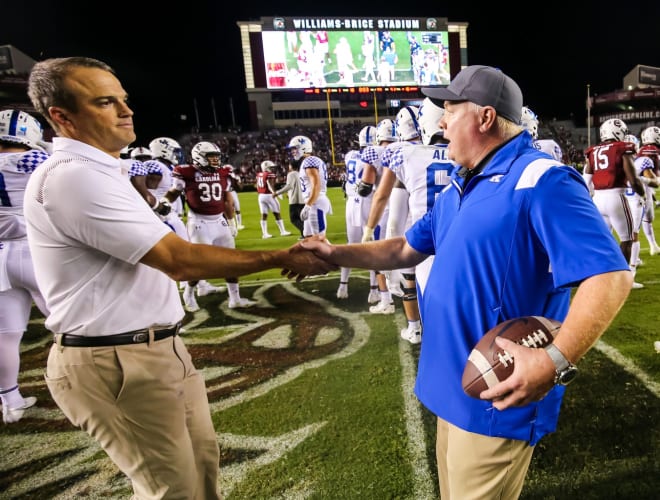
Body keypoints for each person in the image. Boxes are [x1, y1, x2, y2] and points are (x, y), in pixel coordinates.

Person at [298, 65, 632, 499]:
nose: (440, 122)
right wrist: (334, 255)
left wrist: (555, 359)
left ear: (485, 117)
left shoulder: (543, 179)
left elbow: (610, 275)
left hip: (496, 395)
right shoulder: (461, 182)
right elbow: (405, 249)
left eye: (449, 111)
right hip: (453, 385)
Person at [24, 56, 335, 499]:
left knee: (201, 474)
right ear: (61, 116)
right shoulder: (72, 177)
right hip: (113, 359)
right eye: (105, 102)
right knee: (172, 490)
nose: (126, 111)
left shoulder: (101, 171)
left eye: (123, 99)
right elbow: (178, 260)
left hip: (152, 347)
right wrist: (282, 255)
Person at [164, 141, 257, 311]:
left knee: (231, 261)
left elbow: (227, 198)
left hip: (219, 221)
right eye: (211, 157)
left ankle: (235, 299)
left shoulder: (223, 172)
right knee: (201, 264)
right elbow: (174, 191)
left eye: (216, 157)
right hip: (199, 222)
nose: (215, 160)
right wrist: (163, 202)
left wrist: (230, 221)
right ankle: (189, 294)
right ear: (199, 157)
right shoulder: (186, 172)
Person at [0, 109, 50, 423]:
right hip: (37, 251)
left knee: (6, 335)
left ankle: (10, 403)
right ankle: (86, 387)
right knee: (69, 324)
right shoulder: (35, 162)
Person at [583, 118, 645, 290]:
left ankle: (598, 277)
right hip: (616, 196)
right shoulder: (622, 149)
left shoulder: (593, 151)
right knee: (627, 239)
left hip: (597, 200)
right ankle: (623, 281)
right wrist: (642, 194)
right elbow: (633, 179)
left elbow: (585, 180)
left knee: (603, 240)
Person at [336, 125, 381, 303]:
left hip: (351, 203)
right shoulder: (374, 154)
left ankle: (343, 285)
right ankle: (373, 290)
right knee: (372, 247)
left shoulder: (350, 156)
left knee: (351, 245)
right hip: (367, 200)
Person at [359, 118, 398, 313]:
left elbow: (365, 188)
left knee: (379, 256)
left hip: (383, 210)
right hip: (404, 207)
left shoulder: (373, 151)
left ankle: (385, 300)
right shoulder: (404, 149)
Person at [286, 135, 332, 238]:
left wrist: (308, 205)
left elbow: (316, 185)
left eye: (294, 148)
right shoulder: (307, 161)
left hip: (316, 202)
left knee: (319, 240)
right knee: (308, 236)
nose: (293, 152)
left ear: (303, 147)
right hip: (313, 201)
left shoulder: (309, 161)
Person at [637, 126, 660, 254]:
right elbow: (653, 176)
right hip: (645, 185)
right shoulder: (653, 150)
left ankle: (653, 246)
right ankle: (635, 259)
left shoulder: (641, 149)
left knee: (645, 218)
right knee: (646, 218)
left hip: (635, 185)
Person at [255, 160, 292, 239]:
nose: (272, 169)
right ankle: (283, 231)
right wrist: (275, 193)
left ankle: (264, 233)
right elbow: (269, 184)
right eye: (270, 167)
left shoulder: (259, 174)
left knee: (264, 215)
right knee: (277, 213)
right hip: (269, 195)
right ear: (266, 167)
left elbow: (257, 186)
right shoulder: (270, 174)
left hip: (261, 196)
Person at [274, 161, 305, 238]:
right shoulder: (301, 173)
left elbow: (289, 186)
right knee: (301, 219)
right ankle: (304, 235)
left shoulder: (291, 174)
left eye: (289, 165)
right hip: (302, 199)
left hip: (295, 200)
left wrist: (277, 192)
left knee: (293, 219)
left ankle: (306, 232)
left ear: (291, 166)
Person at [222, 163, 245, 229]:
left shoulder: (233, 176)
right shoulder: (222, 176)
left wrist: (240, 181)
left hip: (232, 192)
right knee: (225, 210)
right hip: (224, 193)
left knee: (237, 208)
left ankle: (239, 224)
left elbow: (241, 188)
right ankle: (227, 225)